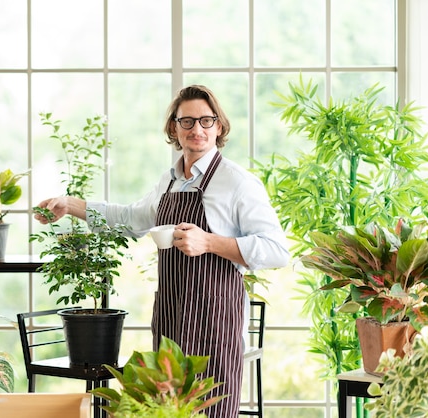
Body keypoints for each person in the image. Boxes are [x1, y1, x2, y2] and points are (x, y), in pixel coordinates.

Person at [34, 84, 290, 417]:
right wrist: (70, 205)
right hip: (171, 316)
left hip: (215, 323)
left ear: (219, 127)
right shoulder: (168, 183)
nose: (197, 129)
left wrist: (209, 241)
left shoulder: (238, 183)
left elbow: (277, 250)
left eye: (206, 121)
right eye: (187, 122)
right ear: (174, 128)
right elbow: (128, 218)